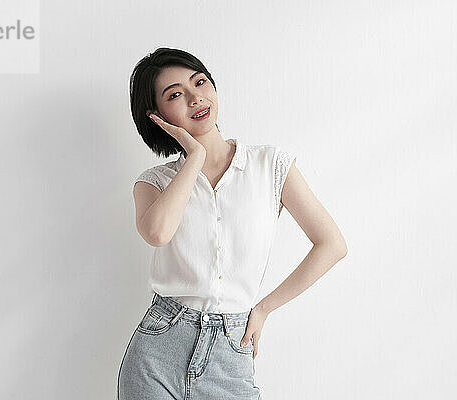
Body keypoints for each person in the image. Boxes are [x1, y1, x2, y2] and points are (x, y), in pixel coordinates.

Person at [118, 47, 348, 400]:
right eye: (176, 94)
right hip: (158, 350)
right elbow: (157, 233)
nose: (196, 97)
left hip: (232, 346)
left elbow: (332, 244)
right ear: (156, 116)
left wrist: (264, 308)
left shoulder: (270, 165)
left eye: (200, 82)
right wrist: (194, 156)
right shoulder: (154, 183)